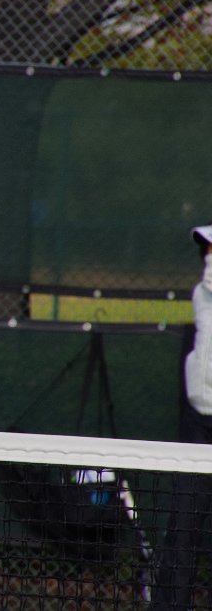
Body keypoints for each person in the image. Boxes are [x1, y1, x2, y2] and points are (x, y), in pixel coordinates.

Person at [149, 224, 212, 610]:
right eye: (206, 249)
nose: (207, 256)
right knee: (183, 524)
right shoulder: (200, 293)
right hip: (198, 423)